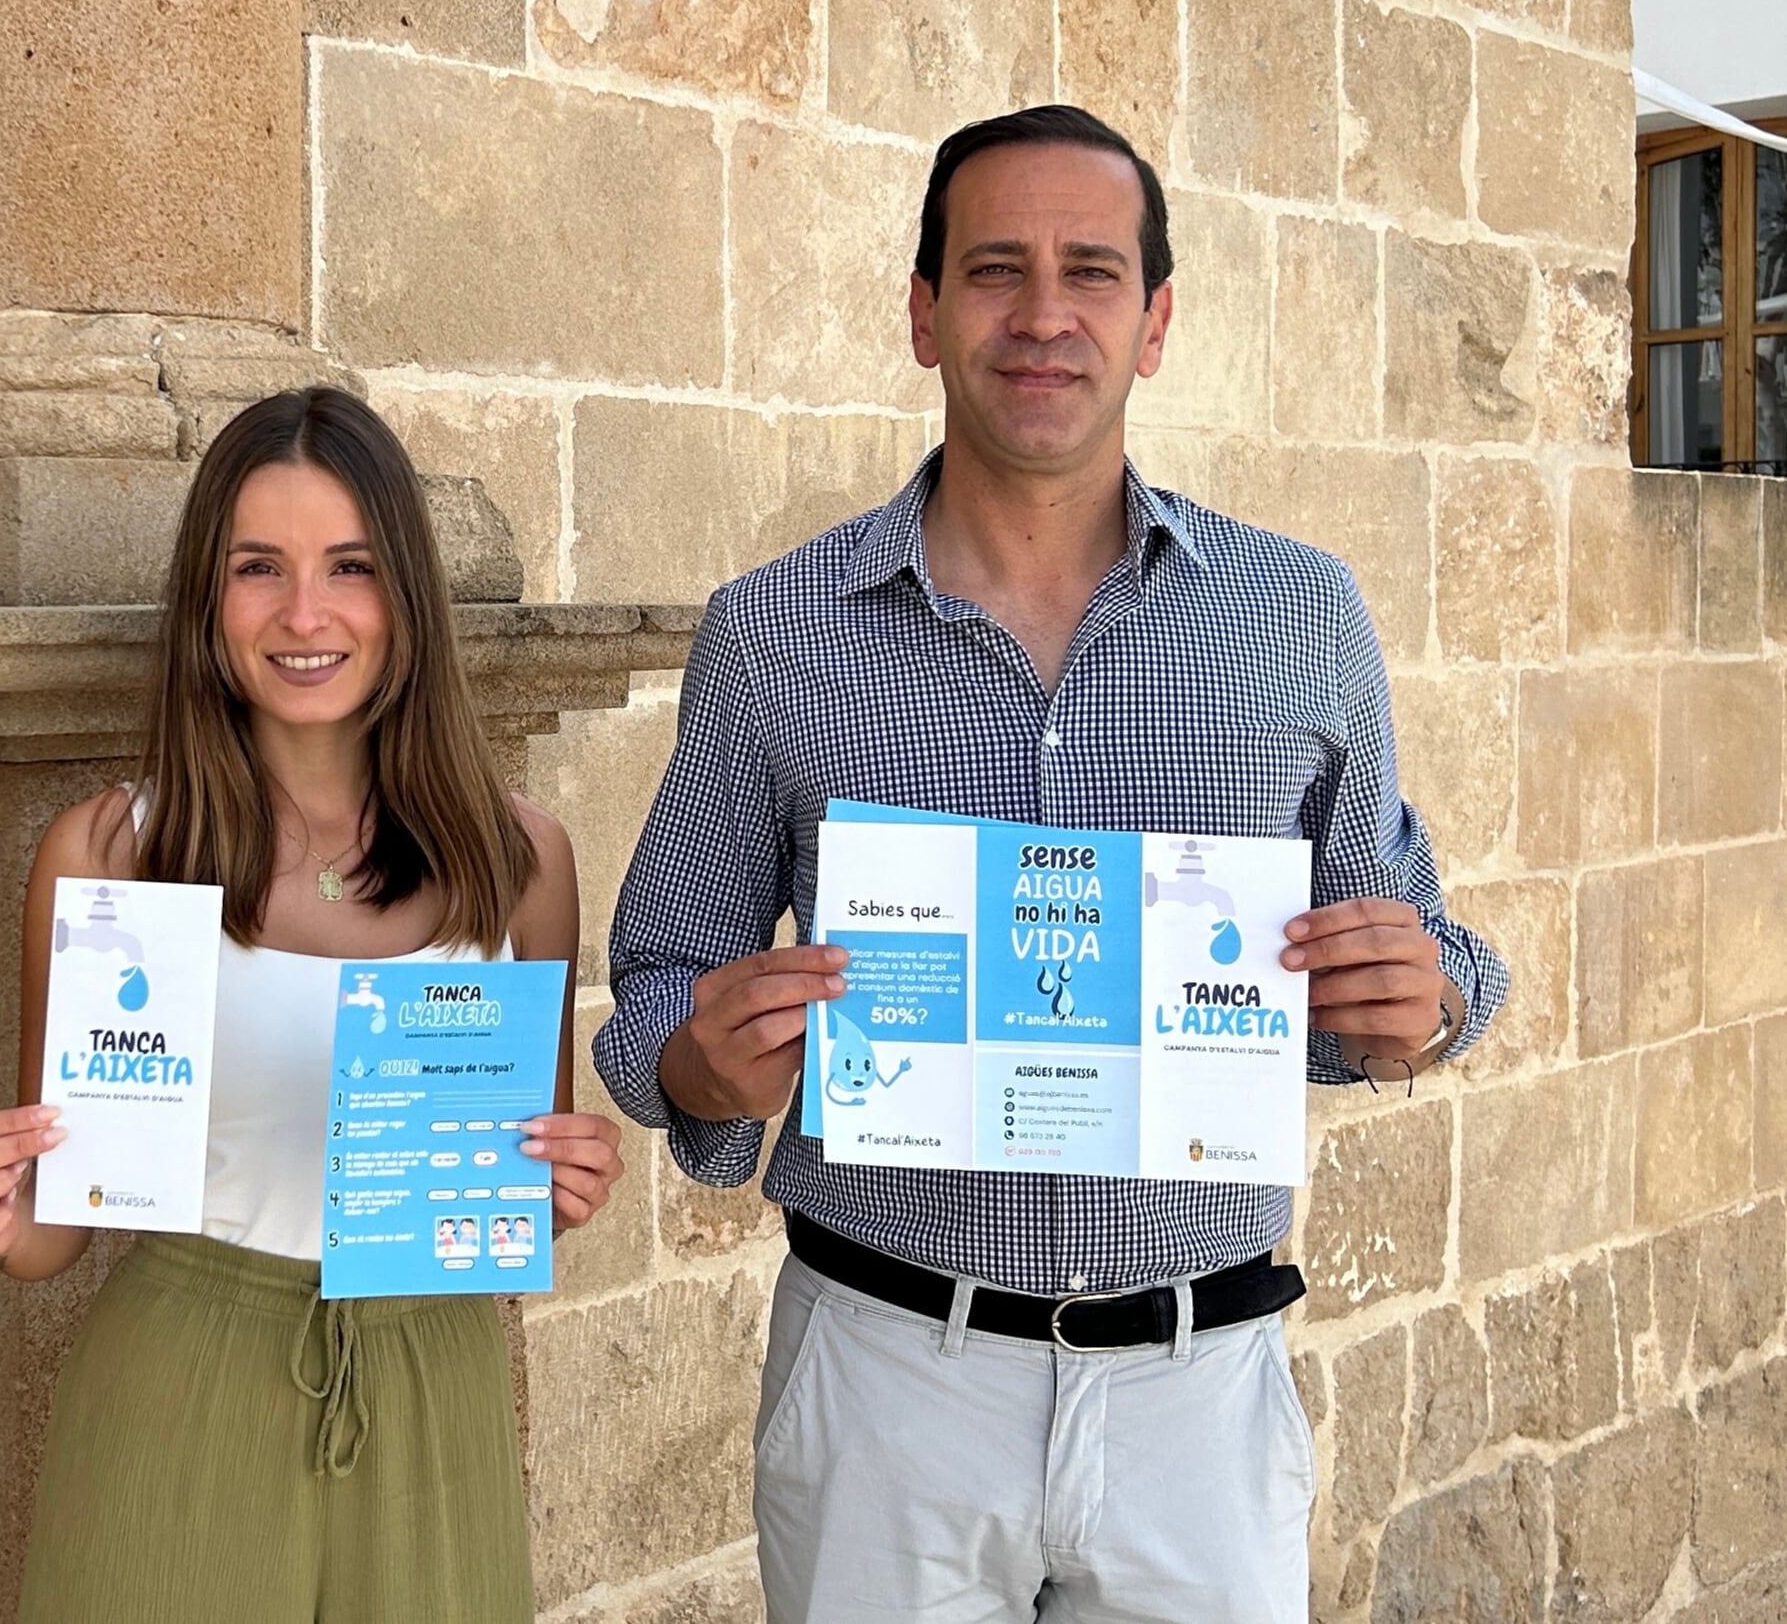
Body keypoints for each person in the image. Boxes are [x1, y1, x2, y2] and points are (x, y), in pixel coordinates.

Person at [594, 105, 1508, 1623]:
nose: (1039, 314)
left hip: (1194, 1395)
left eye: (1089, 271)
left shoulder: (1299, 618)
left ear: (1151, 322)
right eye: (992, 268)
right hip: (887, 1378)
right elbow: (648, 1003)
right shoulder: (769, 633)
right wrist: (704, 1062)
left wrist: (1427, 1001)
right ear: (920, 311)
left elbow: (1408, 952)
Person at [0, 386, 624, 1623]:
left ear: (405, 592)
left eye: (350, 565)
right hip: (184, 1380)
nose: (306, 614)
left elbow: (509, 1198)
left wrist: (563, 1185)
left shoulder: (523, 862)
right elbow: (54, 1233)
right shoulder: (111, 854)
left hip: (431, 1391)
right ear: (209, 597)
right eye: (260, 567)